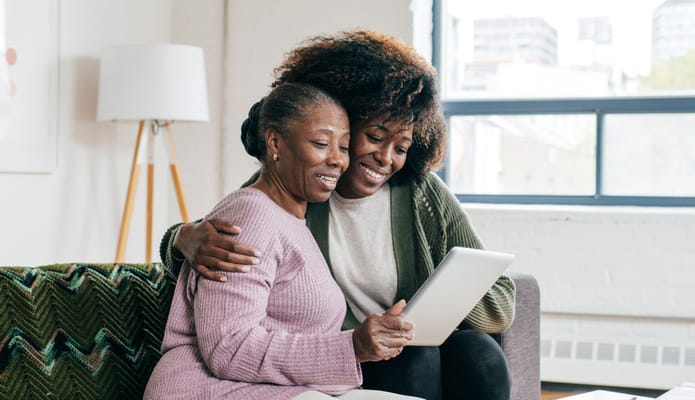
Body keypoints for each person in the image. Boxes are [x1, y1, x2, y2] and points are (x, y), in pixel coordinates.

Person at [160, 31, 515, 400]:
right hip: (342, 354)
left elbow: (501, 304)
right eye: (375, 138)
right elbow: (238, 222)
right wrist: (182, 237)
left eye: (401, 147)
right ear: (347, 123)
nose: (385, 158)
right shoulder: (300, 186)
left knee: (479, 353)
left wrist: (446, 295)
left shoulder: (421, 195)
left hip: (399, 343)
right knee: (416, 359)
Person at [144, 82, 421, 400]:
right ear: (275, 143)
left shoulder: (291, 221)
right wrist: (353, 346)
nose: (337, 161)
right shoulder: (250, 216)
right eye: (321, 143)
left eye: (343, 147)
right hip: (209, 389)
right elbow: (229, 348)